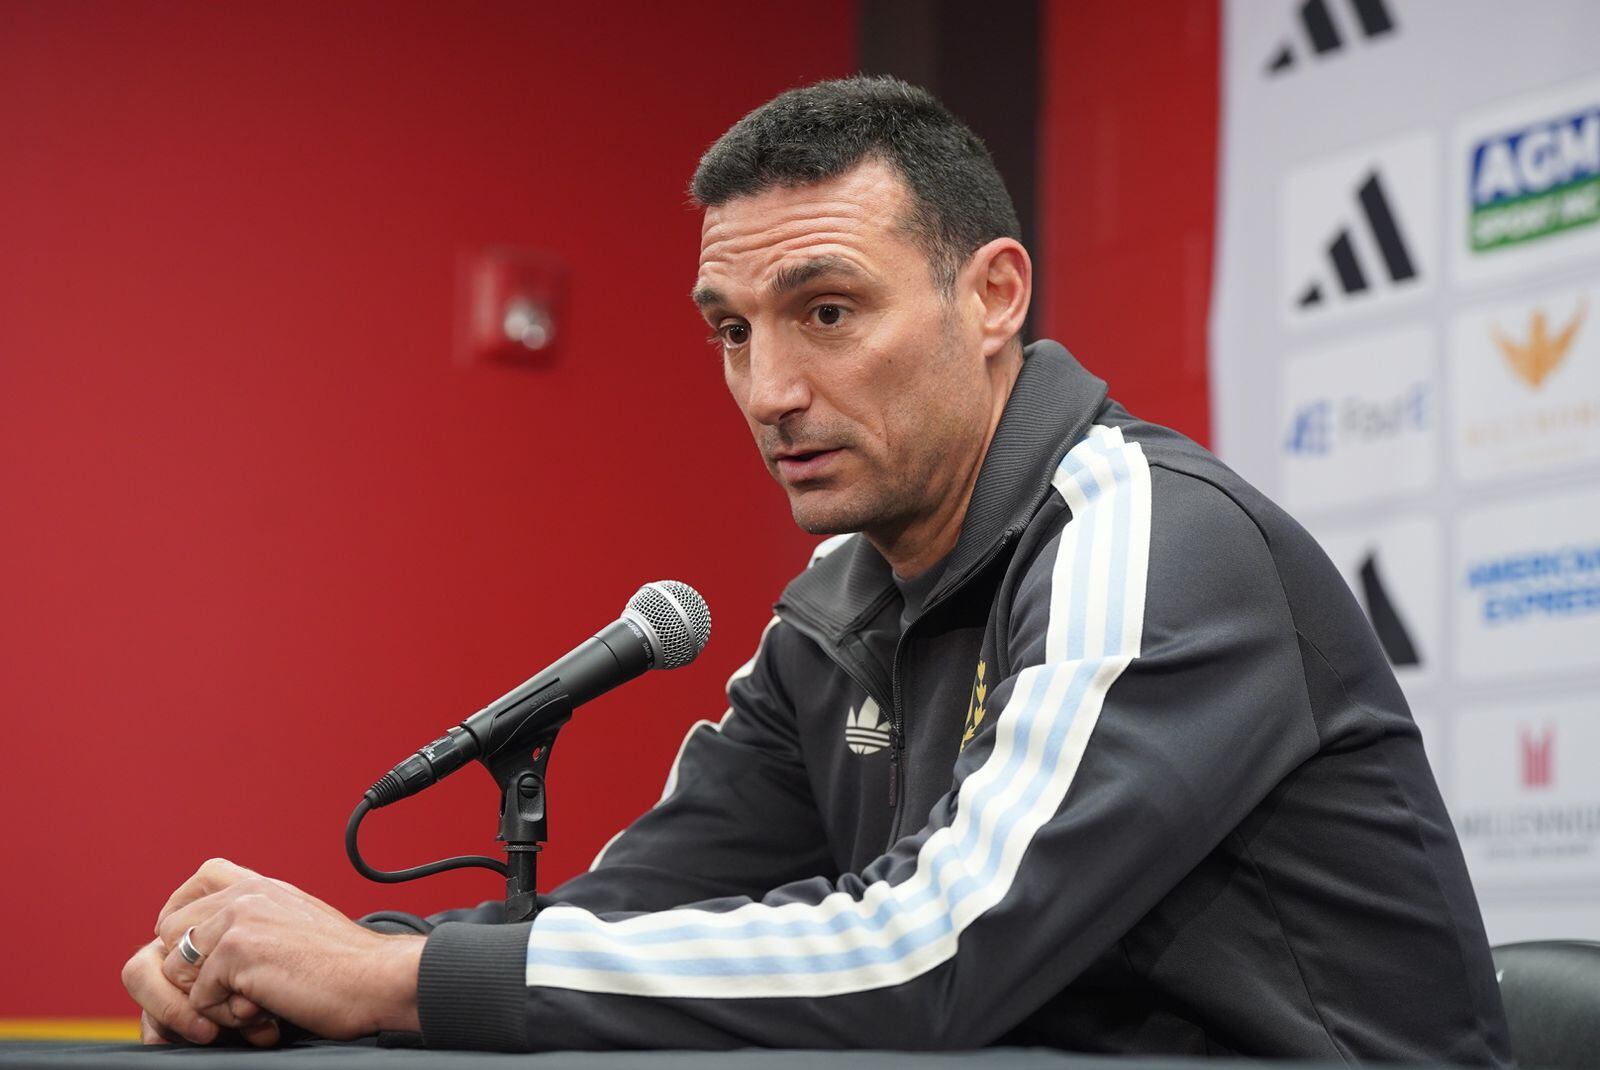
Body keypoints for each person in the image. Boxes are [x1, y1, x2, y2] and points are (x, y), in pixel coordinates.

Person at [122, 76, 1513, 1062]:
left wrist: (390, 977)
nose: (771, 387)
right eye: (732, 331)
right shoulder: (840, 608)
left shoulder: (1147, 536)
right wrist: (282, 968)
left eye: (827, 311)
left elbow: (932, 952)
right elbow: (630, 923)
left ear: (994, 297)